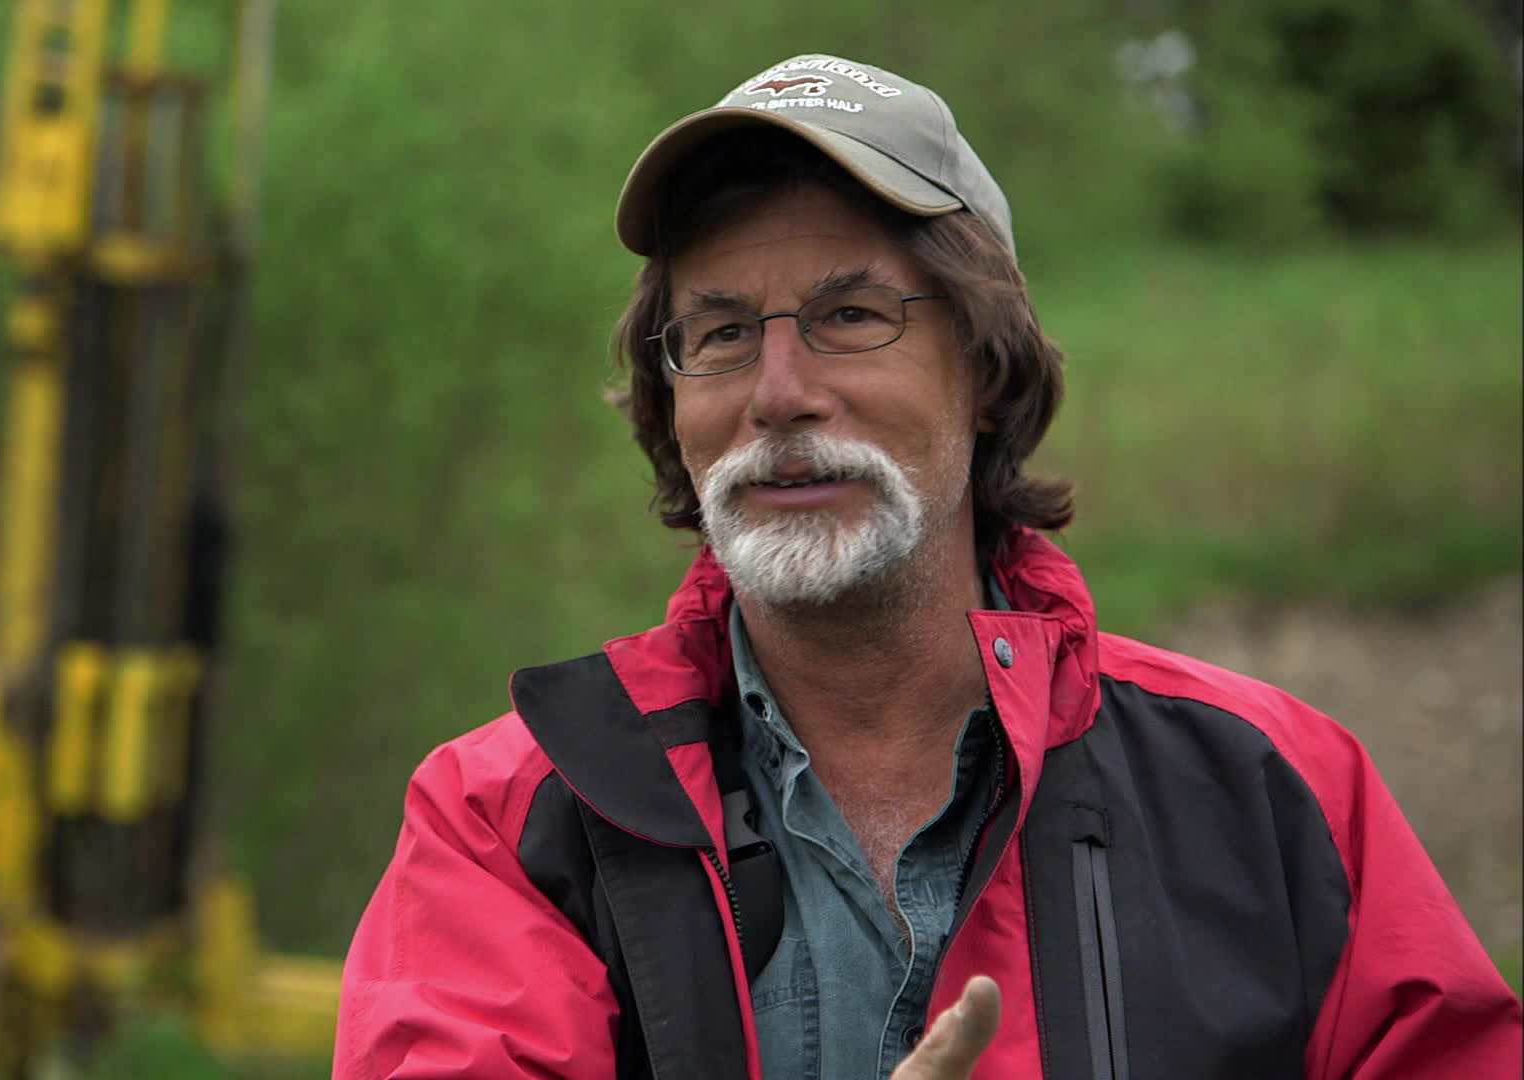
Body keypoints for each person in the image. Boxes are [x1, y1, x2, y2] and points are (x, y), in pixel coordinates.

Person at [331, 53, 1524, 1079]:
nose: (781, 393)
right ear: (669, 399)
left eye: (853, 315)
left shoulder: (1274, 792)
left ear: (989, 374)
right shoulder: (511, 819)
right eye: (722, 332)